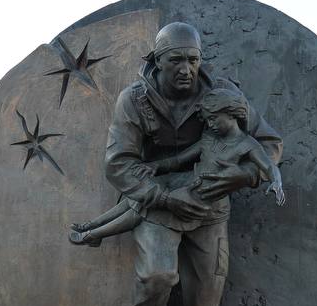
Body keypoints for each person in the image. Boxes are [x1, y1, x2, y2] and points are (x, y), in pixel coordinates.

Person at [104, 21, 283, 306]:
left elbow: (269, 145)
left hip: (209, 211)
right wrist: (163, 196)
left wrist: (243, 177)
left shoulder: (223, 94)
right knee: (156, 274)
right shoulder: (134, 101)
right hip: (158, 204)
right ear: (157, 60)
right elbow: (118, 162)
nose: (185, 69)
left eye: (192, 59)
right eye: (175, 60)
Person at [72, 88, 283, 247]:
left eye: (213, 119)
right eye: (207, 120)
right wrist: (154, 166)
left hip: (198, 194)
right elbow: (181, 158)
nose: (209, 125)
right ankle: (91, 224)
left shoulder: (247, 145)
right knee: (139, 194)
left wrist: (276, 183)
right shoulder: (210, 137)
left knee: (144, 210)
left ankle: (93, 235)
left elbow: (268, 165)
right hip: (186, 179)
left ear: (231, 114)